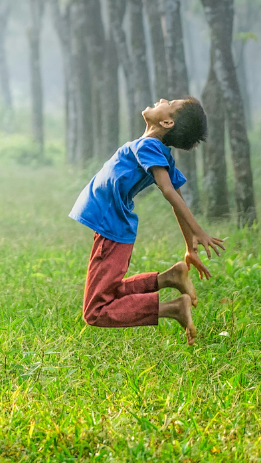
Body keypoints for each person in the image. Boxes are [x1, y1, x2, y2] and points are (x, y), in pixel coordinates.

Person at [69, 98, 225, 345]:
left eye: (170, 102)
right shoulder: (155, 149)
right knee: (108, 293)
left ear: (167, 121)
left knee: (95, 310)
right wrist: (189, 247)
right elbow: (177, 195)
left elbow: (170, 191)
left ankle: (173, 309)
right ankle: (169, 278)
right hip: (112, 226)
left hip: (112, 228)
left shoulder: (150, 146)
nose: (162, 99)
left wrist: (198, 232)